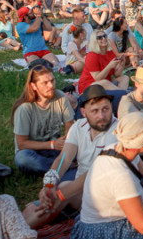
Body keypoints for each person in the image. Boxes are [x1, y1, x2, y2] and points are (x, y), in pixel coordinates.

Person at [22, 84, 118, 229]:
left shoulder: (117, 131)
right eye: (95, 111)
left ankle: (19, 236)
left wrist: (61, 194)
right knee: (31, 209)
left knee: (61, 191)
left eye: (106, 109)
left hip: (104, 195)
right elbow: (64, 159)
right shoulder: (78, 127)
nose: (102, 116)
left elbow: (95, 173)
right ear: (84, 112)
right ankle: (16, 235)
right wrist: (49, 184)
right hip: (78, 192)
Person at [11, 66, 76, 176]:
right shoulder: (25, 109)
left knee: (80, 144)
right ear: (33, 86)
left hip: (55, 148)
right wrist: (51, 145)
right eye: (45, 83)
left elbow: (69, 125)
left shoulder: (60, 96)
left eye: (52, 81)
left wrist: (67, 143)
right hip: (32, 150)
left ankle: (62, 164)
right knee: (23, 160)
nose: (51, 86)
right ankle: (65, 166)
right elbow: (22, 144)